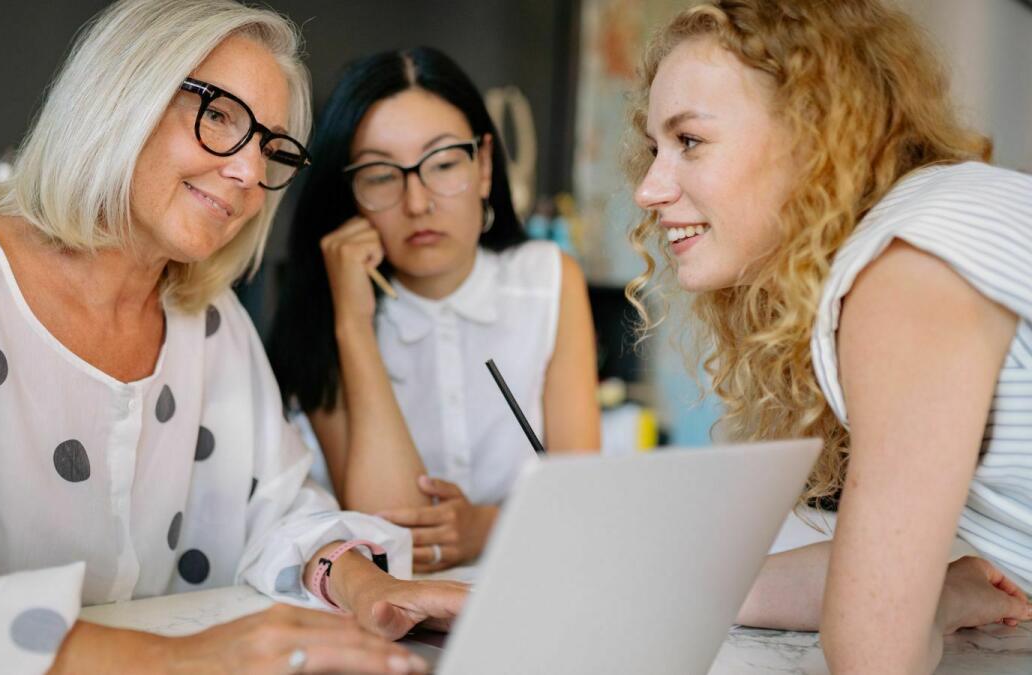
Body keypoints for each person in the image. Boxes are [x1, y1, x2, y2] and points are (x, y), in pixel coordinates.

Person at [0, 2, 466, 673]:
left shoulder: (213, 320)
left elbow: (279, 511)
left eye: (271, 147)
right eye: (221, 115)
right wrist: (179, 658)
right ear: (124, 94)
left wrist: (376, 590)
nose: (251, 175)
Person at [626, 0, 1032, 671]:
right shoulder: (927, 227)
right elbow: (870, 576)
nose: (647, 188)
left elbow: (873, 652)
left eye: (689, 141)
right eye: (653, 148)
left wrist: (928, 605)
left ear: (812, 134)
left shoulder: (912, 269)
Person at [268, 47, 601, 573]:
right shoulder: (326, 307)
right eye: (380, 175)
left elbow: (582, 500)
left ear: (485, 165)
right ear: (349, 193)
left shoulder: (549, 280)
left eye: (444, 163)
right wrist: (353, 324)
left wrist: (488, 528)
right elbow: (391, 531)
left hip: (534, 590)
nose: (417, 202)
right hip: (388, 616)